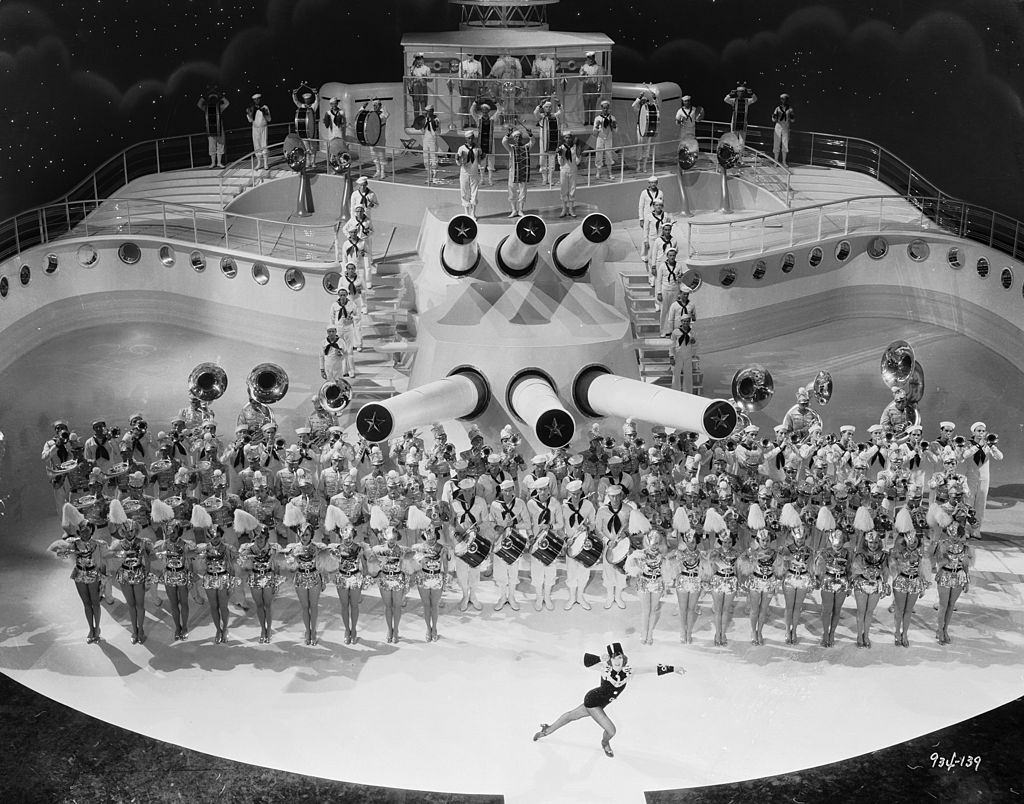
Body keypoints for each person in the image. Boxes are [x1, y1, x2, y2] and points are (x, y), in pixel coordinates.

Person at [532, 643, 683, 758]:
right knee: (611, 730)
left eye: (619, 657)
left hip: (600, 703)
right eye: (614, 658)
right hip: (593, 701)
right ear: (610, 659)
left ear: (623, 658)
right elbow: (584, 660)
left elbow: (651, 669)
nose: (617, 661)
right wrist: (599, 658)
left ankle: (546, 730)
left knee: (571, 716)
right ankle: (605, 743)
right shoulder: (604, 668)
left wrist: (674, 668)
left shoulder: (628, 671)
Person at [48, 503, 108, 643]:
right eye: (82, 531)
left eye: (87, 530)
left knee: (95, 604)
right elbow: (63, 549)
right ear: (79, 532)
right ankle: (91, 629)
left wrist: (103, 580)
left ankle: (97, 628)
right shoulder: (73, 543)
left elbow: (103, 562)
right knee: (86, 604)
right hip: (79, 575)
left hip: (93, 575)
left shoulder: (99, 544)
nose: (84, 533)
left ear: (91, 531)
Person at [107, 500, 153, 645]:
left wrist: (148, 575)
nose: (129, 533)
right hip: (125, 575)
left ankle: (141, 630)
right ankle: (134, 630)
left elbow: (150, 559)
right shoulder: (117, 544)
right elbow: (109, 555)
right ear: (122, 531)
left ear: (136, 530)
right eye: (126, 531)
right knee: (131, 605)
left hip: (139, 574)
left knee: (140, 605)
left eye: (131, 530)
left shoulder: (144, 542)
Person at [235, 510, 284, 643]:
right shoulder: (247, 548)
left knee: (268, 605)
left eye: (262, 536)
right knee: (259, 605)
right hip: (255, 578)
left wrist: (276, 583)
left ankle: (268, 630)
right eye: (257, 536)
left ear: (267, 536)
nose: (259, 538)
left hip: (269, 578)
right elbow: (241, 564)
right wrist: (246, 556)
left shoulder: (274, 548)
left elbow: (278, 566)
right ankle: (263, 628)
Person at [408, 506, 449, 642]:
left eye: (433, 537)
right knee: (426, 605)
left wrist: (445, 578)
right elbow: (412, 563)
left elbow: (445, 566)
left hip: (437, 578)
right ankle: (428, 628)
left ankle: (435, 627)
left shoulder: (442, 548)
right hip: (423, 577)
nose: (431, 540)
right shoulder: (418, 548)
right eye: (428, 537)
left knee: (435, 605)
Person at [890, 510, 930, 647]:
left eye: (915, 542)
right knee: (899, 610)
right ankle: (897, 632)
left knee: (908, 611)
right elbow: (892, 565)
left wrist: (923, 585)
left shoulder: (920, 553)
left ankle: (905, 633)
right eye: (910, 542)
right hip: (901, 581)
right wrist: (895, 577)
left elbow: (922, 569)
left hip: (915, 582)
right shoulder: (898, 551)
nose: (912, 544)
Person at [931, 520, 973, 644]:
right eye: (952, 534)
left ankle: (945, 629)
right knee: (943, 605)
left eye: (957, 535)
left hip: (959, 576)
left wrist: (967, 581)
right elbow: (937, 561)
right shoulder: (942, 545)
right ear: (948, 534)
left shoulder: (965, 548)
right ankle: (939, 630)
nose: (954, 537)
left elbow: (966, 566)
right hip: (945, 574)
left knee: (951, 605)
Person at [625, 527, 668, 645]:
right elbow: (629, 565)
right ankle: (644, 633)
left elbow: (664, 571)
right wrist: (637, 569)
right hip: (644, 583)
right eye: (652, 543)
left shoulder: (661, 556)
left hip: (657, 583)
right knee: (645, 610)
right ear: (647, 542)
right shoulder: (640, 554)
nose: (654, 546)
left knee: (653, 610)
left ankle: (650, 633)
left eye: (657, 543)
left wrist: (665, 586)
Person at [961, 421, 1003, 539]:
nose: (981, 433)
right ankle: (965, 529)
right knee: (968, 503)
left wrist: (992, 446)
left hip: (984, 478)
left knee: (981, 504)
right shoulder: (968, 444)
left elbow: (1000, 457)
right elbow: (964, 455)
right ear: (973, 432)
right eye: (978, 431)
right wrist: (978, 445)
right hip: (971, 477)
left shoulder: (988, 445)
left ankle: (976, 529)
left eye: (983, 431)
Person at [739, 527, 780, 645]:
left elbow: (780, 569)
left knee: (763, 609)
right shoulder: (752, 552)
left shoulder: (775, 553)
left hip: (769, 583)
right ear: (758, 540)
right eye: (763, 540)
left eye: (767, 540)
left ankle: (760, 631)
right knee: (754, 609)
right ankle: (753, 631)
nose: (765, 543)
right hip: (755, 583)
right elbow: (740, 562)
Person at [372, 523, 412, 643]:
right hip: (384, 580)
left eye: (394, 539)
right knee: (388, 606)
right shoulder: (378, 550)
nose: (392, 541)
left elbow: (410, 565)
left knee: (397, 606)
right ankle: (390, 629)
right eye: (390, 539)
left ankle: (396, 630)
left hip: (398, 580)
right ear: (385, 538)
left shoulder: (403, 550)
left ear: (397, 538)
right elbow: (371, 563)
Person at [703, 511, 738, 646]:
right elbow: (709, 566)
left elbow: (738, 569)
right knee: (718, 610)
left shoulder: (736, 553)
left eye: (729, 541)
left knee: (725, 610)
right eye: (725, 541)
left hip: (730, 583)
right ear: (721, 541)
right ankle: (717, 633)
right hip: (718, 582)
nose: (727, 544)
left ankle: (723, 633)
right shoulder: (715, 552)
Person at [670, 509, 702, 643]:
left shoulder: (702, 553)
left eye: (693, 542)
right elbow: (671, 562)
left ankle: (689, 632)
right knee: (682, 608)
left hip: (695, 582)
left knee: (691, 609)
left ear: (696, 542)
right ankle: (682, 631)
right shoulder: (679, 552)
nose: (690, 544)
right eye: (688, 541)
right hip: (683, 581)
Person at [815, 527, 850, 647]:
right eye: (835, 544)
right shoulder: (824, 552)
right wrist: (818, 579)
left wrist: (849, 584)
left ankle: (832, 633)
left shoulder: (847, 552)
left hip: (842, 581)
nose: (837, 546)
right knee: (826, 610)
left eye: (840, 543)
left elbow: (850, 568)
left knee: (837, 610)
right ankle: (825, 633)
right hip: (828, 581)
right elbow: (818, 567)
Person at [596, 485, 630, 609]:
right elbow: (598, 529)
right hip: (608, 545)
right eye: (612, 496)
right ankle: (610, 596)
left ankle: (619, 596)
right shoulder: (602, 510)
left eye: (617, 496)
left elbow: (633, 527)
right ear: (608, 496)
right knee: (608, 570)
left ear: (621, 495)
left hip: (622, 545)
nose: (615, 499)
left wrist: (626, 533)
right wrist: (607, 541)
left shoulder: (628, 509)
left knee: (621, 571)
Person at [665, 286, 696, 394]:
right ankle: (675, 392)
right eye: (684, 294)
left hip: (687, 350)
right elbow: (670, 319)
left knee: (688, 374)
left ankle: (688, 392)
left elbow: (694, 319)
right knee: (676, 374)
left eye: (687, 294)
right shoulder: (674, 305)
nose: (685, 296)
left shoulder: (691, 305)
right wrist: (670, 332)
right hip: (677, 338)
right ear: (680, 294)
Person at [501, 128, 534, 218]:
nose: (518, 139)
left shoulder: (526, 147)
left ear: (521, 138)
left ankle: (520, 210)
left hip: (523, 172)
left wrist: (530, 135)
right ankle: (514, 210)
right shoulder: (511, 148)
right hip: (513, 172)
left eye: (519, 137)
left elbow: (533, 142)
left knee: (523, 191)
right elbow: (504, 142)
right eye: (516, 137)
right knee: (512, 191)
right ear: (514, 139)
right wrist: (508, 134)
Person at [469, 100, 502, 186]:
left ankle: (490, 179)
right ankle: (482, 179)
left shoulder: (492, 119)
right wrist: (475, 102)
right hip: (481, 142)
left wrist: (496, 101)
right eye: (483, 110)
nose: (484, 112)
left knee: (491, 161)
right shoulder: (478, 119)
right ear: (481, 111)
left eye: (486, 110)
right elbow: (472, 111)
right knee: (482, 161)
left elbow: (499, 110)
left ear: (488, 111)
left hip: (490, 142)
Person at [342, 204, 375, 288]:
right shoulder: (352, 220)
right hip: (353, 243)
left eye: (361, 211)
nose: (359, 213)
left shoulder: (368, 220)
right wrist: (349, 236)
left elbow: (372, 231)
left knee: (367, 265)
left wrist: (367, 232)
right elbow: (344, 229)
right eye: (357, 211)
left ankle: (368, 283)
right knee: (353, 265)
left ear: (363, 211)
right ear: (355, 212)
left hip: (364, 240)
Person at [533, 98, 562, 187]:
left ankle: (550, 179)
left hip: (553, 142)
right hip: (543, 143)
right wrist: (540, 105)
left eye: (550, 107)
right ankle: (544, 178)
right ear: (544, 108)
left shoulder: (554, 116)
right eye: (546, 107)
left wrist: (559, 104)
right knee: (543, 161)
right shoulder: (541, 117)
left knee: (552, 161)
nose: (548, 109)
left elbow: (561, 112)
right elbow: (535, 113)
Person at [198, 88, 229, 168]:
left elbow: (227, 103)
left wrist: (220, 96)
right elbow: (199, 104)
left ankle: (219, 162)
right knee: (212, 146)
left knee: (220, 145)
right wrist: (205, 96)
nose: (213, 100)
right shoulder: (206, 108)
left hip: (219, 130)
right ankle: (213, 163)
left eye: (214, 98)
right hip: (210, 130)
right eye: (211, 98)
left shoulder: (219, 107)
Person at [631, 86, 660, 172]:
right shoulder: (638, 109)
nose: (643, 102)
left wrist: (654, 97)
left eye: (645, 101)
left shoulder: (649, 109)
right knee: (640, 147)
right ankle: (638, 166)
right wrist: (639, 97)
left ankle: (644, 166)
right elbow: (633, 105)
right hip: (639, 129)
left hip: (648, 128)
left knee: (647, 148)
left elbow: (656, 106)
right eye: (642, 101)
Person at [359, 98, 391, 179]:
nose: (375, 107)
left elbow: (386, 113)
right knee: (374, 155)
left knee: (381, 155)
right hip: (372, 138)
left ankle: (383, 172)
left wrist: (381, 105)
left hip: (380, 139)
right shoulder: (371, 113)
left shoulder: (383, 114)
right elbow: (361, 113)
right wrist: (364, 106)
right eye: (374, 105)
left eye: (376, 105)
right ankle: (378, 171)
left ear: (380, 106)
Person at [456, 130, 482, 218]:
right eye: (469, 138)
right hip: (464, 173)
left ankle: (473, 213)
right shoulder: (461, 148)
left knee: (474, 193)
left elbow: (479, 161)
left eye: (472, 138)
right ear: (466, 139)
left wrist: (482, 157)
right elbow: (458, 163)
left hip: (474, 173)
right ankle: (466, 213)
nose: (470, 140)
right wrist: (458, 159)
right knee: (464, 192)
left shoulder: (477, 148)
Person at [556, 130, 581, 218]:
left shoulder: (575, 147)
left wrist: (578, 154)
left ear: (571, 138)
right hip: (564, 171)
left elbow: (577, 162)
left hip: (573, 170)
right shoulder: (561, 148)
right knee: (563, 190)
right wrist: (560, 155)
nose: (568, 139)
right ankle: (564, 209)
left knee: (572, 190)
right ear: (564, 139)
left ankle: (571, 209)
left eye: (569, 137)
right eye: (566, 138)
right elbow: (561, 163)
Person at [291, 89, 319, 168]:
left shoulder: (313, 106)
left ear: (310, 99)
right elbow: (296, 101)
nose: (307, 101)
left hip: (312, 130)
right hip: (304, 130)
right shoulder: (302, 106)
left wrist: (316, 94)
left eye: (308, 99)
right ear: (304, 100)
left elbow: (317, 100)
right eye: (306, 100)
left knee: (313, 147)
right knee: (306, 148)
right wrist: (294, 94)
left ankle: (313, 162)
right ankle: (308, 162)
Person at [724, 83, 757, 149]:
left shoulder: (747, 101)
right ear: (737, 93)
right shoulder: (734, 101)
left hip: (743, 123)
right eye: (739, 92)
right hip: (735, 122)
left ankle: (740, 155)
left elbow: (754, 99)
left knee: (742, 141)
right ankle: (733, 154)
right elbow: (726, 100)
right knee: (733, 139)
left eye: (742, 92)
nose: (741, 93)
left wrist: (751, 93)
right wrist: (730, 94)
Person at [592, 100, 617, 180]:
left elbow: (616, 131)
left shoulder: (612, 118)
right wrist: (597, 126)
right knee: (598, 154)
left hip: (609, 139)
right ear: (601, 108)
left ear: (608, 108)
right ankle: (598, 172)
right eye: (604, 108)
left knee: (609, 155)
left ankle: (610, 172)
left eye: (607, 108)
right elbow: (594, 133)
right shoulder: (597, 118)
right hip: (600, 138)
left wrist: (614, 126)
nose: (605, 109)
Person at [246, 93, 271, 170]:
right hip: (255, 129)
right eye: (255, 100)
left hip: (263, 128)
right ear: (253, 100)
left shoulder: (265, 107)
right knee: (257, 145)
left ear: (260, 99)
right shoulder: (251, 108)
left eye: (258, 99)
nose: (257, 101)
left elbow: (269, 119)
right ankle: (259, 163)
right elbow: (250, 120)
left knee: (264, 145)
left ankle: (266, 163)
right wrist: (249, 114)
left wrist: (265, 113)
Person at [579, 51, 603, 125]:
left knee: (593, 104)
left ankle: (592, 121)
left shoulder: (598, 67)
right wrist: (582, 74)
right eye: (589, 58)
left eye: (592, 58)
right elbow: (580, 79)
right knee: (586, 104)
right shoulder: (583, 67)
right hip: (586, 86)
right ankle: (586, 120)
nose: (591, 60)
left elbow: (600, 79)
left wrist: (599, 90)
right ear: (587, 58)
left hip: (594, 86)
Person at [457, 53, 483, 121]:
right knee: (464, 104)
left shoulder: (478, 63)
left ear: (474, 55)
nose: (470, 56)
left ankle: (473, 121)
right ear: (466, 55)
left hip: (474, 84)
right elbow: (460, 76)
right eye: (469, 55)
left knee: (474, 104)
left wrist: (480, 84)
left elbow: (480, 75)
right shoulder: (462, 63)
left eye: (471, 55)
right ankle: (465, 121)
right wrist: (460, 86)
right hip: (465, 84)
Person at [771, 94, 795, 167]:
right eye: (782, 99)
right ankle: (776, 161)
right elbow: (773, 120)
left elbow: (793, 120)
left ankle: (784, 161)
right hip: (778, 126)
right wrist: (774, 116)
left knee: (785, 143)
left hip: (786, 127)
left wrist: (791, 116)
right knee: (776, 143)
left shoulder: (790, 109)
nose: (783, 101)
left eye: (785, 99)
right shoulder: (777, 108)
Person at [421, 105, 442, 185]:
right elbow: (423, 131)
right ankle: (429, 176)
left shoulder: (436, 120)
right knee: (426, 158)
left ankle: (435, 177)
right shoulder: (425, 120)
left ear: (432, 111)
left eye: (428, 111)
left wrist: (436, 126)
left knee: (433, 158)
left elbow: (438, 132)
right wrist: (421, 126)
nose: (427, 113)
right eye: (426, 111)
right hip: (425, 140)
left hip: (433, 140)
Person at [409, 53, 432, 118]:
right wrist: (410, 88)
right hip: (415, 88)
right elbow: (410, 79)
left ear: (422, 59)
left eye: (420, 59)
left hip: (423, 88)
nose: (418, 61)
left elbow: (430, 79)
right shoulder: (412, 68)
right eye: (417, 59)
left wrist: (424, 78)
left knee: (423, 105)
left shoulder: (426, 69)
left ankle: (424, 121)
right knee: (416, 106)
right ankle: (416, 122)